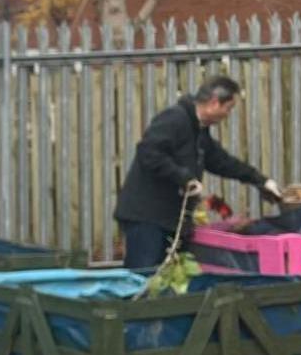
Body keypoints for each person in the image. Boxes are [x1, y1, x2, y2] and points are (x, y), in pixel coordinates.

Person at [114, 75, 281, 269]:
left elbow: (222, 162)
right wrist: (183, 177)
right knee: (144, 275)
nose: (228, 114)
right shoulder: (174, 119)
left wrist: (260, 180)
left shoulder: (199, 131)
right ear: (214, 102)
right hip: (146, 217)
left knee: (170, 278)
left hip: (170, 220)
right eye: (229, 108)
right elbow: (149, 152)